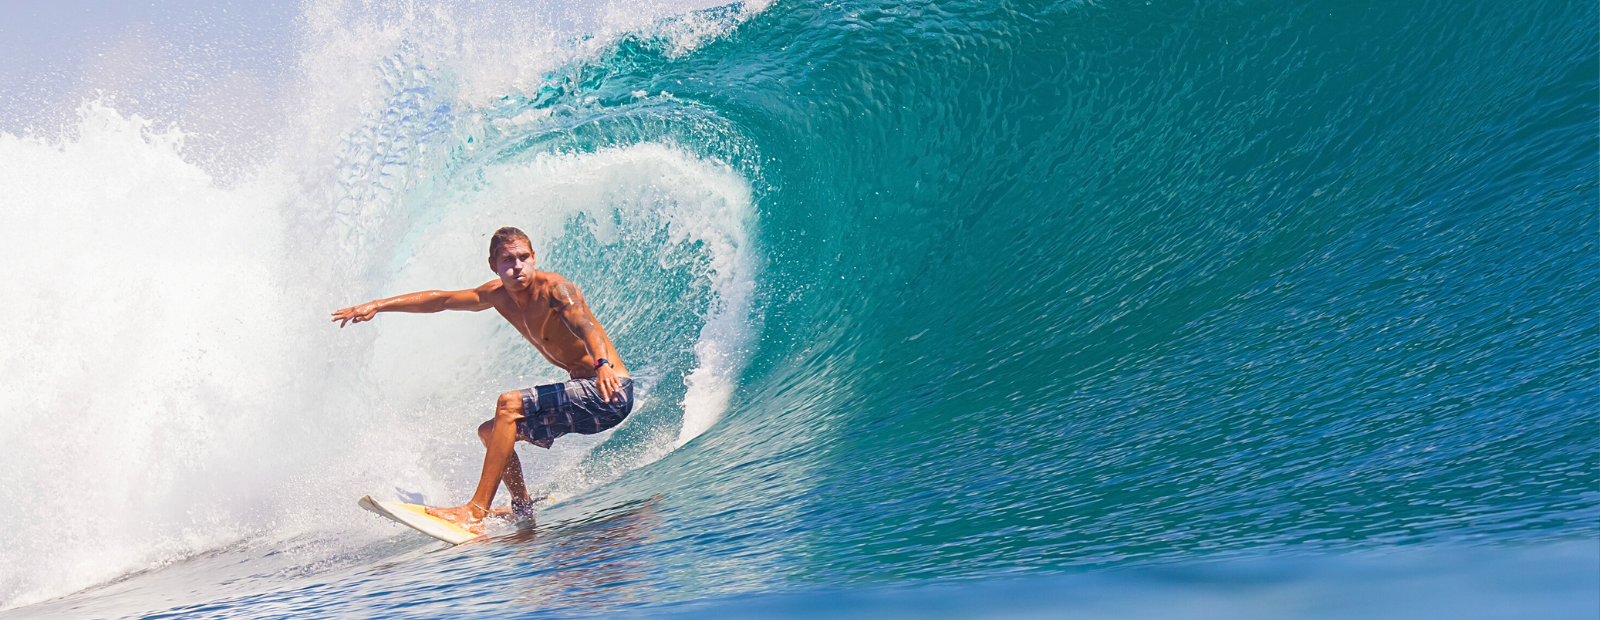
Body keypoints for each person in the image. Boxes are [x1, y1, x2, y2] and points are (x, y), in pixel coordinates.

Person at [331, 226, 633, 532]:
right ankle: (522, 508)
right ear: (495, 266)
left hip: (609, 390)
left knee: (509, 404)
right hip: (586, 400)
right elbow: (442, 300)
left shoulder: (556, 290)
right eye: (507, 260)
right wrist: (378, 305)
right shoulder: (497, 295)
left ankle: (474, 512)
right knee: (492, 432)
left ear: (534, 257)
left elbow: (586, 326)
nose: (517, 266)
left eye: (523, 257)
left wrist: (603, 364)